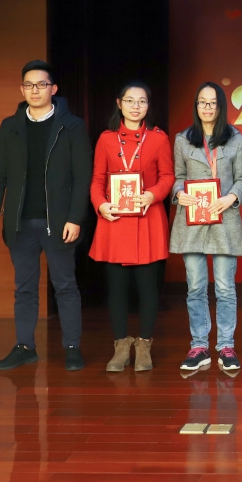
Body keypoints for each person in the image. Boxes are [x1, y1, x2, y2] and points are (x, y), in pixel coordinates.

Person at [0, 60, 92, 371]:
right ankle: (24, 347)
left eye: (41, 84)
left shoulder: (72, 126)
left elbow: (82, 177)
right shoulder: (10, 126)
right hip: (19, 223)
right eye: (29, 85)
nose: (35, 90)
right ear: (22, 89)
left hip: (58, 222)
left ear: (53, 89)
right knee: (25, 288)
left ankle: (72, 347)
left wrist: (75, 217)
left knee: (65, 286)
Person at [90, 81, 174, 373]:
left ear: (148, 106)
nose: (136, 106)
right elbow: (97, 179)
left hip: (147, 219)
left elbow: (168, 176)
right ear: (119, 103)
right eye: (130, 100)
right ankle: (121, 346)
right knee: (117, 289)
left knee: (148, 288)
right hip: (114, 221)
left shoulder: (159, 139)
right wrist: (101, 204)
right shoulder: (106, 139)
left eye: (142, 101)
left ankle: (144, 345)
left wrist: (153, 194)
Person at [170, 82, 242, 372]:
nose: (206, 107)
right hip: (192, 221)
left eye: (212, 102)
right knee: (195, 287)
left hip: (224, 220)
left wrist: (231, 197)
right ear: (196, 106)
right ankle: (199, 346)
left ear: (220, 106)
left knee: (225, 288)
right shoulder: (183, 139)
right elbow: (177, 176)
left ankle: (226, 345)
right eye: (202, 102)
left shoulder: (236, 139)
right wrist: (179, 193)